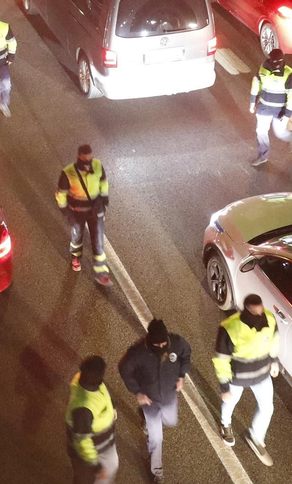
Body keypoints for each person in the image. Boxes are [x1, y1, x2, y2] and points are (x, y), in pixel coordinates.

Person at [120, 320, 192, 484]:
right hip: (150, 400)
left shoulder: (176, 343)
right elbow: (124, 369)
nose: (161, 347)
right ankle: (157, 472)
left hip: (169, 396)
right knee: (156, 438)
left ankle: (144, 418)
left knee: (171, 421)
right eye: (157, 344)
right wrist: (137, 392)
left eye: (163, 344)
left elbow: (186, 354)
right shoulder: (137, 352)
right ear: (149, 340)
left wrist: (182, 375)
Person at [214, 294, 279, 467]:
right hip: (238, 377)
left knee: (267, 408)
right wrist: (224, 387)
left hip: (262, 374)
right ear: (248, 309)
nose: (261, 313)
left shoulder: (270, 319)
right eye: (256, 310)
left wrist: (274, 361)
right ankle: (225, 424)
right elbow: (221, 359)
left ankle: (256, 436)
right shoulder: (230, 327)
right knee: (230, 402)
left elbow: (274, 341)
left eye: (261, 308)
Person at [56, 144, 111, 286]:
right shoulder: (68, 172)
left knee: (98, 240)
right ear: (79, 156)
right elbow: (61, 193)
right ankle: (76, 257)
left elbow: (103, 183)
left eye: (90, 157)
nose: (89, 162)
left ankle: (101, 273)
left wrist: (104, 200)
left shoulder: (97, 165)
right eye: (86, 158)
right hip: (77, 212)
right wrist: (65, 211)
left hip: (95, 210)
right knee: (77, 236)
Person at [66, 355, 119, 484]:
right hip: (89, 454)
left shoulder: (86, 379)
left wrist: (112, 406)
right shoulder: (83, 408)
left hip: (103, 443)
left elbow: (103, 390)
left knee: (110, 468)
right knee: (84, 480)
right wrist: (96, 466)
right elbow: (82, 441)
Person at [249, 48, 292, 166]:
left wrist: (287, 115)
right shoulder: (263, 69)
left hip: (279, 111)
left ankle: (291, 136)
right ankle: (263, 156)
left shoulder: (289, 74)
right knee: (261, 131)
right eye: (275, 61)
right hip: (264, 107)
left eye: (280, 61)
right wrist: (252, 102)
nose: (278, 64)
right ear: (270, 59)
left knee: (280, 132)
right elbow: (256, 84)